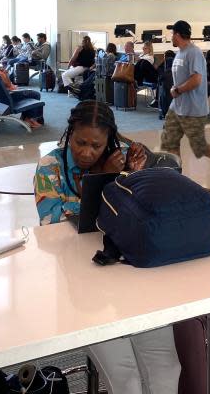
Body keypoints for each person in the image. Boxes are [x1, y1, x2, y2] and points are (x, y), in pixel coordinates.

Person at [33, 101, 172, 394]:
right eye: (80, 142)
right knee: (127, 379)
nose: (86, 152)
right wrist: (100, 180)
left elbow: (143, 211)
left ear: (109, 141)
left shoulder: (121, 161)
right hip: (80, 280)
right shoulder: (50, 165)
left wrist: (131, 175)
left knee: (167, 368)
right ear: (69, 134)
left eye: (96, 146)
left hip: (129, 271)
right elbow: (51, 219)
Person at [160, 20, 210, 169]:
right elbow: (181, 77)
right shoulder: (180, 53)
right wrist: (175, 87)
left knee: (199, 146)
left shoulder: (194, 52)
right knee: (169, 140)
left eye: (173, 34)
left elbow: (196, 79)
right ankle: (176, 175)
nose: (171, 37)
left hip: (193, 108)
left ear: (178, 34)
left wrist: (177, 90)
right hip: (177, 106)